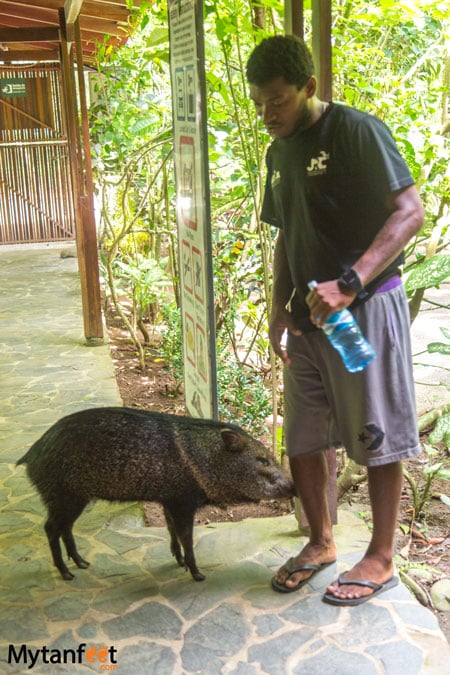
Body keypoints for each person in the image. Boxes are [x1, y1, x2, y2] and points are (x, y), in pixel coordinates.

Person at [246, 35, 424, 605]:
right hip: (306, 323)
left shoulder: (354, 131)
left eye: (278, 101)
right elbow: (286, 234)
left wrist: (350, 283)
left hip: (360, 318)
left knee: (375, 433)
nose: (268, 114)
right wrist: (278, 307)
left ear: (308, 89)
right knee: (303, 436)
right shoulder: (279, 152)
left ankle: (380, 556)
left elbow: (410, 211)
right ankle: (321, 541)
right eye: (259, 103)